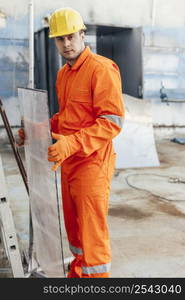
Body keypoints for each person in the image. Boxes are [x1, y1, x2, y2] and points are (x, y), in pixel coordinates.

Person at [18, 7, 125, 278]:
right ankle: (78, 274)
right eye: (60, 39)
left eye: (70, 37)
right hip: (69, 164)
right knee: (75, 230)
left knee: (92, 234)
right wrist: (37, 129)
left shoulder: (101, 69)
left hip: (92, 164)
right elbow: (66, 117)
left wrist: (72, 143)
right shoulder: (64, 74)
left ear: (82, 34)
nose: (66, 44)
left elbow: (112, 122)